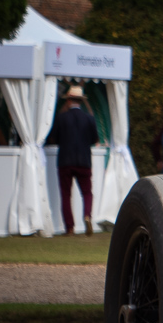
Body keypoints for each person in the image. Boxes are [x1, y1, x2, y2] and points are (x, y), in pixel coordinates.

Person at [48, 84, 99, 234]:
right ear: (81, 101)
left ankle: (69, 227)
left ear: (69, 100)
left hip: (65, 161)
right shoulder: (89, 118)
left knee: (66, 194)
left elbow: (54, 138)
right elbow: (94, 139)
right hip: (84, 160)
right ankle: (87, 215)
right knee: (87, 193)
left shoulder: (61, 117)